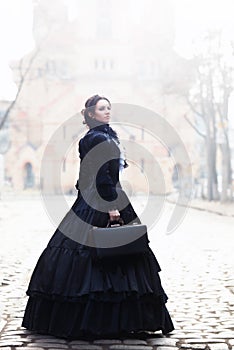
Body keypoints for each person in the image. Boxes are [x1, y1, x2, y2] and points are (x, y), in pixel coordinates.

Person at [21, 94, 175, 340]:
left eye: (109, 108)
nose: (107, 111)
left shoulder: (97, 137)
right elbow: (102, 175)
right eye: (102, 108)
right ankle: (107, 320)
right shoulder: (99, 138)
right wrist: (111, 206)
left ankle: (107, 319)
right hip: (105, 198)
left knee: (108, 253)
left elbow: (87, 174)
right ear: (91, 113)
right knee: (108, 254)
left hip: (95, 197)